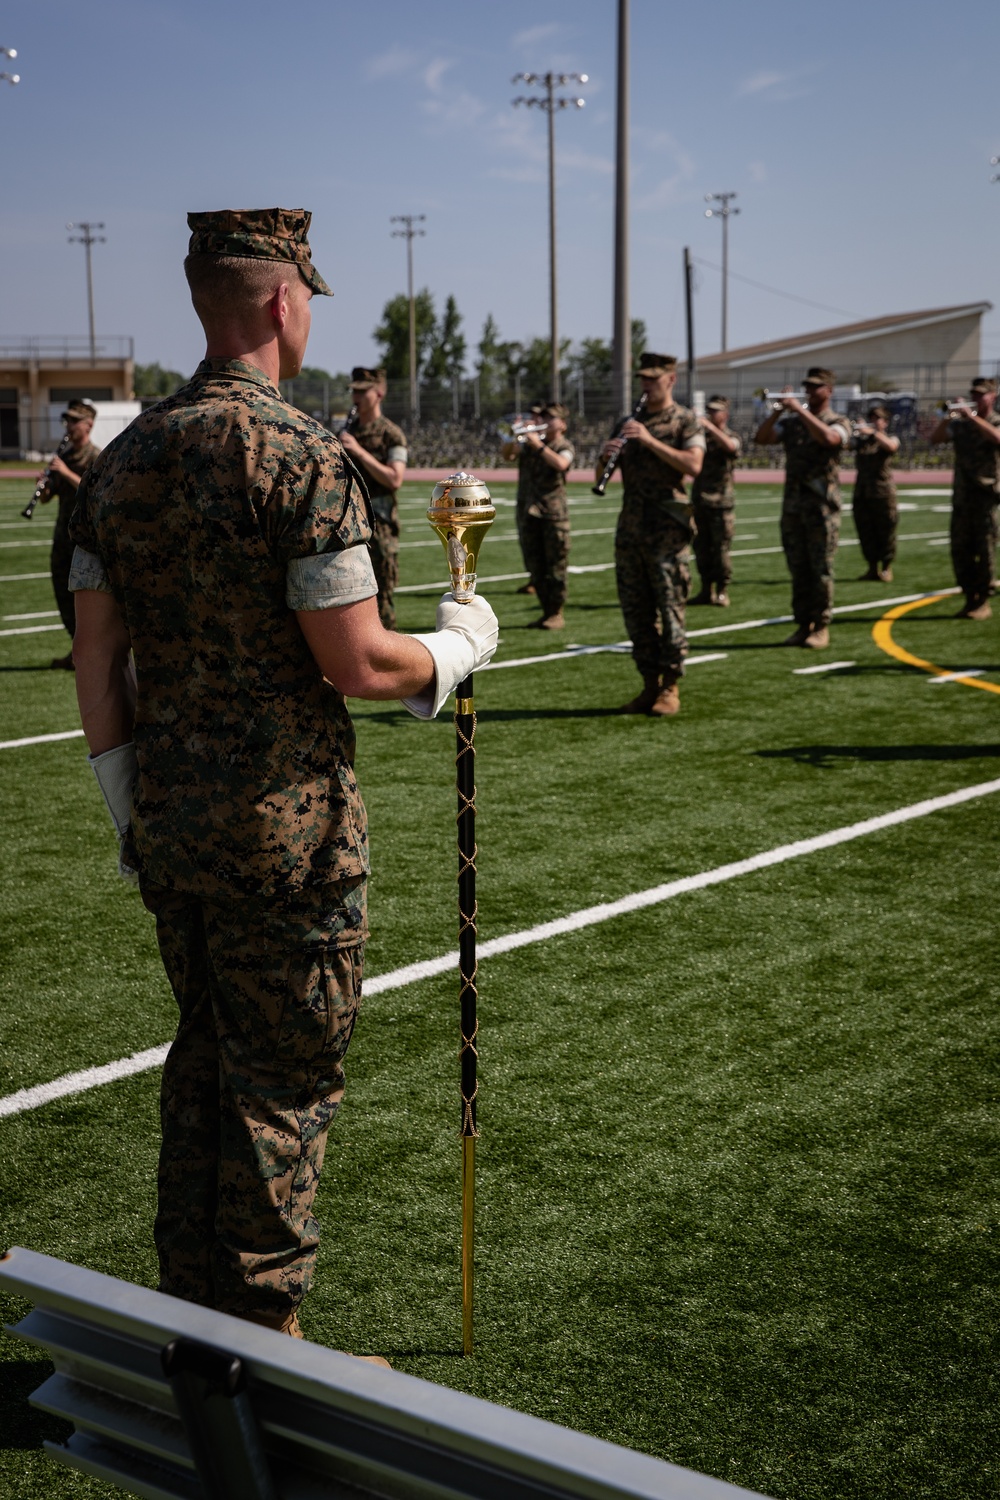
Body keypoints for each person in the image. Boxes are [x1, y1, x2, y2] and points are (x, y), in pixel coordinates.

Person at [67, 207, 498, 1345]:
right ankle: (260, 1350)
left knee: (204, 1064)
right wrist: (458, 650)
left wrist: (128, 805)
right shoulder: (299, 455)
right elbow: (359, 662)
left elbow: (98, 655)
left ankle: (191, 1323)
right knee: (281, 1091)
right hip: (288, 842)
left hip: (172, 826)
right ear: (280, 301)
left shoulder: (121, 458)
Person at [599, 352, 704, 716]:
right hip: (631, 529)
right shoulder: (628, 421)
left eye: (653, 379)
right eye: (642, 378)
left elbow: (693, 465)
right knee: (636, 612)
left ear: (671, 379)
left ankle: (670, 687)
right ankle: (649, 684)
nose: (646, 385)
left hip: (667, 531)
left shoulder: (684, 421)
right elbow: (606, 473)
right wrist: (605, 455)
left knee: (670, 608)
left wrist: (649, 440)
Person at [754, 367, 850, 649]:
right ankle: (802, 624)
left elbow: (831, 439)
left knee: (820, 569)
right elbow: (762, 438)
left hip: (822, 507)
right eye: (807, 385)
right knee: (798, 569)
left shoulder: (838, 420)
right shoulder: (794, 422)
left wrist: (800, 410)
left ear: (829, 390)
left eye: (816, 386)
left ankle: (820, 626)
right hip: (794, 506)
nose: (809, 391)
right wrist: (778, 411)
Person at [337, 367, 407, 629]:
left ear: (379, 393)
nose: (356, 396)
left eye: (362, 391)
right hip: (349, 523)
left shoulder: (391, 434)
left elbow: (394, 479)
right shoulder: (347, 430)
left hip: (380, 525)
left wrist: (359, 451)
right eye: (354, 390)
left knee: (382, 594)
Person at [34, 399, 100, 669]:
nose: (69, 426)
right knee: (61, 591)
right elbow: (49, 498)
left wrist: (65, 472)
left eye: (74, 421)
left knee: (84, 598)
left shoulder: (96, 456)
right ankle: (76, 649)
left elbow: (92, 491)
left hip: (85, 538)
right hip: (63, 535)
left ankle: (90, 652)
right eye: (68, 421)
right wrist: (44, 486)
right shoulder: (65, 456)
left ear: (88, 425)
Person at [930, 377, 1000, 620]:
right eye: (974, 393)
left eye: (982, 394)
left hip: (986, 495)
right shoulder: (959, 425)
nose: (977, 398)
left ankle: (983, 599)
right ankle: (970, 596)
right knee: (961, 549)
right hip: (962, 495)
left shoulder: (995, 421)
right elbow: (935, 439)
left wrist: (971, 417)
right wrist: (949, 416)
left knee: (985, 549)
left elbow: (998, 438)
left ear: (993, 396)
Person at [514, 402, 574, 629]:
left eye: (552, 418)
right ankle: (545, 611)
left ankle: (556, 613)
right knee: (535, 565)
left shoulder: (563, 446)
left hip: (553, 515)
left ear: (563, 425)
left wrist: (538, 445)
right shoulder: (529, 444)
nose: (546, 421)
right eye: (544, 417)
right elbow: (508, 455)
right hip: (528, 512)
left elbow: (561, 464)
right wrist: (514, 436)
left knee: (555, 567)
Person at [690, 396, 741, 607]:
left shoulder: (731, 436)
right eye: (709, 411)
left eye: (716, 411)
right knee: (701, 548)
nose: (712, 414)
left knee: (720, 550)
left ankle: (722, 590)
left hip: (721, 502)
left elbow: (731, 447)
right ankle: (706, 589)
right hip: (700, 500)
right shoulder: (700, 438)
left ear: (725, 415)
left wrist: (709, 426)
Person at [851, 404, 899, 583]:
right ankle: (872, 568)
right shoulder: (862, 442)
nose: (873, 421)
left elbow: (891, 447)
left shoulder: (889, 438)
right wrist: (854, 430)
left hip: (883, 493)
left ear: (885, 423)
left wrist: (871, 432)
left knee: (886, 531)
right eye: (871, 418)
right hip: (862, 493)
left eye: (877, 418)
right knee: (866, 532)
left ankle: (886, 567)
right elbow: (846, 444)